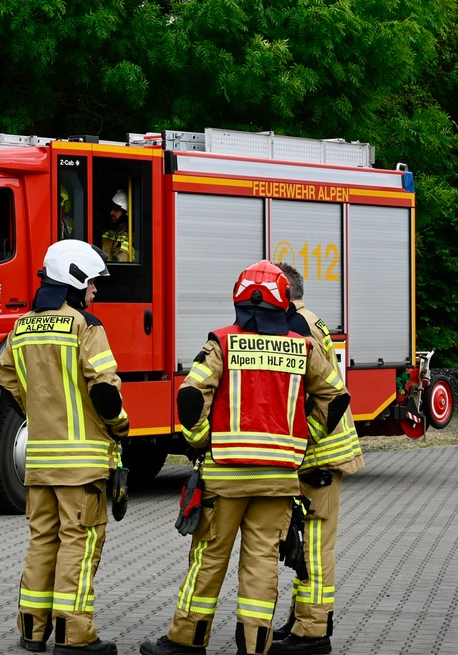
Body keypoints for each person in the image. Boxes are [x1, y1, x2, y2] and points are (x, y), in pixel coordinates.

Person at [140, 260, 350, 655]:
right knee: (262, 563)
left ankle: (186, 641)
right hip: (278, 480)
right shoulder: (302, 346)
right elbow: (335, 396)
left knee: (209, 557)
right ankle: (254, 646)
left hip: (226, 479)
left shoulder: (222, 342)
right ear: (283, 300)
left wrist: (201, 439)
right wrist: (305, 440)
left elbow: (191, 394)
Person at [0, 240, 130, 655]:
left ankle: (32, 631)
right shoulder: (84, 326)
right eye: (92, 283)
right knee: (79, 543)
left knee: (42, 542)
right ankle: (75, 635)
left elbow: (8, 381)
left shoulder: (20, 328)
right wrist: (120, 426)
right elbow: (106, 391)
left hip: (38, 461)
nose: (96, 292)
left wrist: (39, 410)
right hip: (83, 466)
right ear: (74, 280)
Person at [268, 264, 364, 655]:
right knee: (303, 541)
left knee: (315, 547)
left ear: (283, 291)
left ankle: (313, 632)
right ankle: (302, 618)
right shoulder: (306, 319)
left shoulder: (297, 326)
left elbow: (313, 398)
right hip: (318, 451)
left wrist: (300, 443)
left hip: (320, 454)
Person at [100, 190, 133, 262]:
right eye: (111, 209)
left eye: (116, 210)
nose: (111, 213)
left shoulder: (130, 236)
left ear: (126, 212)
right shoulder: (107, 231)